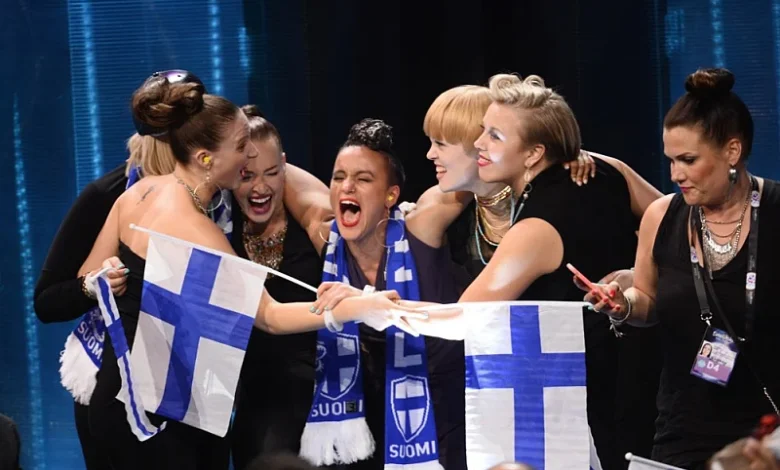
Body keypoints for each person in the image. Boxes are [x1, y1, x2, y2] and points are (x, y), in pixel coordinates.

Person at [317, 73, 662, 470]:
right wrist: (640, 277)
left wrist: (372, 306)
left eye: (493, 135)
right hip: (628, 376)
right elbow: (672, 215)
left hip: (591, 394)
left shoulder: (536, 226)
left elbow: (466, 317)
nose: (479, 143)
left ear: (533, 152)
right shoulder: (605, 169)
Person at [78, 77, 420, 470]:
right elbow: (269, 316)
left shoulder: (141, 191)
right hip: (150, 415)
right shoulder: (197, 229)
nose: (249, 157)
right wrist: (356, 306)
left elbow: (88, 274)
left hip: (123, 397)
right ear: (206, 158)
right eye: (242, 147)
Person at [581, 68, 780, 469]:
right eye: (671, 160)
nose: (675, 174)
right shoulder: (660, 216)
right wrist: (623, 305)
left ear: (733, 151)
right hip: (683, 428)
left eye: (688, 160)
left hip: (768, 433)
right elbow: (647, 299)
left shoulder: (775, 211)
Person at [32, 70, 200, 470]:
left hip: (193, 384)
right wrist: (94, 287)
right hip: (116, 387)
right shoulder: (108, 196)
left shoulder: (217, 194)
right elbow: (47, 301)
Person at [283, 118, 467, 470]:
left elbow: (475, 174)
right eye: (339, 177)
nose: (347, 187)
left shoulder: (421, 226)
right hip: (373, 404)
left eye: (363, 179)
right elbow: (277, 167)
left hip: (448, 402)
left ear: (391, 195)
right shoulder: (327, 238)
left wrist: (562, 157)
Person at [229, 105, 324, 469]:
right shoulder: (218, 228)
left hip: (320, 394)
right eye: (247, 175)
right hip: (252, 397)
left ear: (285, 166)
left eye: (272, 173)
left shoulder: (314, 223)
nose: (261, 187)